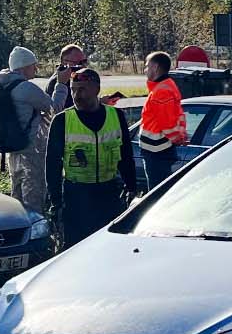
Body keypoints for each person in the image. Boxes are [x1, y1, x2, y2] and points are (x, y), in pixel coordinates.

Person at [45, 67, 137, 248]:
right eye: (73, 89)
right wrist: (56, 201)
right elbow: (52, 165)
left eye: (82, 89)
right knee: (76, 250)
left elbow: (126, 156)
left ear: (96, 89)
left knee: (109, 248)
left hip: (109, 194)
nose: (77, 95)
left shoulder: (116, 116)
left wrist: (131, 187)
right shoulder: (62, 121)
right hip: (76, 197)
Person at [0, 46, 53, 215]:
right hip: (31, 147)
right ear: (24, 66)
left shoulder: (2, 85)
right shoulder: (26, 88)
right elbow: (54, 107)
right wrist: (61, 84)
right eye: (34, 65)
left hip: (14, 146)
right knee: (34, 189)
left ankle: (17, 222)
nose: (36, 68)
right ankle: (36, 228)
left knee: (17, 189)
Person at [136, 50, 188, 188]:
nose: (145, 70)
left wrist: (177, 138)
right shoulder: (164, 87)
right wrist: (179, 137)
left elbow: (167, 123)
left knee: (156, 191)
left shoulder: (161, 91)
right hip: (158, 149)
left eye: (147, 66)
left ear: (155, 67)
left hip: (157, 150)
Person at [43, 43, 89, 113]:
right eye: (79, 63)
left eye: (84, 61)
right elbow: (58, 111)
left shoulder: (74, 78)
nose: (83, 66)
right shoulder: (56, 82)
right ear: (65, 63)